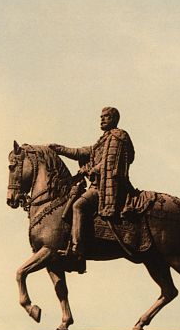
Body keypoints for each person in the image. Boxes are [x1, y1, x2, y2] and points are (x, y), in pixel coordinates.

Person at [49, 107, 135, 259]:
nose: (102, 119)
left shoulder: (117, 137)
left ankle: (77, 248)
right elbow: (81, 152)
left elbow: (109, 164)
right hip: (98, 185)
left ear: (114, 119)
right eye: (101, 117)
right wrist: (60, 149)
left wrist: (89, 170)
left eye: (106, 117)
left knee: (78, 205)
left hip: (107, 188)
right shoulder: (103, 140)